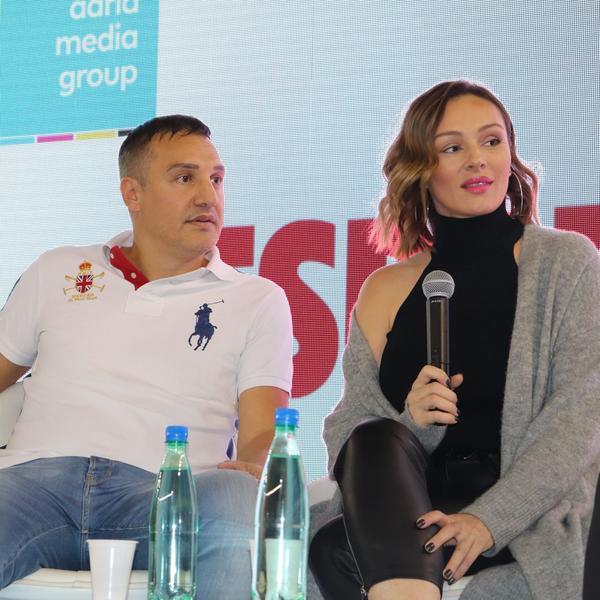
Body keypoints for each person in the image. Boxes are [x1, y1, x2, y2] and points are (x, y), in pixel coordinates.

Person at [308, 80, 600, 600]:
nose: (477, 160)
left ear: (510, 155)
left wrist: (489, 520)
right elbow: (347, 434)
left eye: (491, 141)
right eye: (451, 148)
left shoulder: (566, 263)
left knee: (347, 556)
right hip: (414, 511)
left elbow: (579, 421)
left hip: (524, 512)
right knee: (368, 449)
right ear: (421, 169)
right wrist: (412, 424)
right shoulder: (384, 290)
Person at [0, 115, 293, 599]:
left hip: (166, 494)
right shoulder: (59, 269)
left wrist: (259, 465)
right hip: (34, 487)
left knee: (238, 496)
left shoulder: (257, 299)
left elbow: (264, 434)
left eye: (216, 179)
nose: (208, 196)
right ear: (132, 194)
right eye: (185, 178)